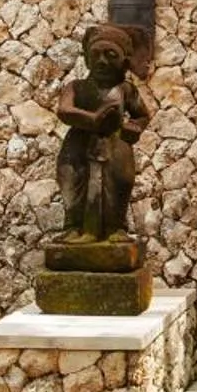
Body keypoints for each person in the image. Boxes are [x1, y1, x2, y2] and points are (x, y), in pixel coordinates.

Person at [54, 24, 150, 241]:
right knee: (73, 182)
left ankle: (115, 228)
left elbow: (142, 115)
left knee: (118, 183)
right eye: (95, 55)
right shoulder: (76, 87)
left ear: (124, 62)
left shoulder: (126, 90)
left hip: (116, 144)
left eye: (110, 55)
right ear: (87, 59)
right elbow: (64, 110)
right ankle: (73, 226)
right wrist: (93, 120)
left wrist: (134, 127)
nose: (102, 62)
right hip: (78, 144)